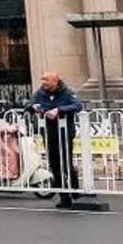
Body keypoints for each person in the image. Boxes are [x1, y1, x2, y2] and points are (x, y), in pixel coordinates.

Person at [30, 71, 84, 208]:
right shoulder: (40, 93)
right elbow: (29, 105)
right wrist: (34, 107)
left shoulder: (66, 92)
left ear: (55, 81)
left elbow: (78, 105)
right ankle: (63, 196)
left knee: (66, 164)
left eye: (47, 81)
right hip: (48, 133)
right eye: (43, 81)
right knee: (54, 165)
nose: (44, 84)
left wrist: (58, 110)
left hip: (65, 133)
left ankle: (76, 194)